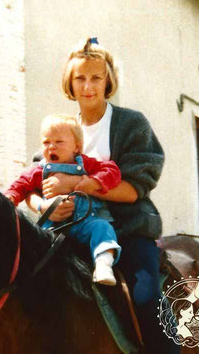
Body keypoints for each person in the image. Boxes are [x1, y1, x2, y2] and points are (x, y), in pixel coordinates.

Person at [25, 37, 180, 353]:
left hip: (128, 233)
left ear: (108, 80)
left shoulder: (131, 124)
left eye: (96, 77)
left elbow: (133, 191)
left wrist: (75, 184)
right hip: (67, 235)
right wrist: (45, 207)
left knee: (146, 300)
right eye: (80, 78)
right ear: (70, 81)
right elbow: (31, 185)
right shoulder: (62, 128)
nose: (88, 86)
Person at [5, 113, 122, 285]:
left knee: (102, 228)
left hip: (85, 223)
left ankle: (104, 263)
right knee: (35, 247)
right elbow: (22, 184)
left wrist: (94, 182)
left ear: (77, 146)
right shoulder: (40, 170)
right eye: (46, 142)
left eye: (59, 142)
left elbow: (112, 170)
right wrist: (11, 197)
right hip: (53, 228)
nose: (51, 147)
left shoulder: (87, 164)